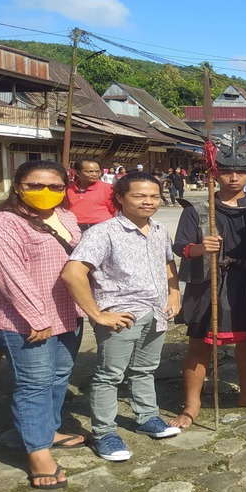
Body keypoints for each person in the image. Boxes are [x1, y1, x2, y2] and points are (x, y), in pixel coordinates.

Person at [0, 160, 88, 489]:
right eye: (35, 186)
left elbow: (81, 263)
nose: (45, 192)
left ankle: (47, 430)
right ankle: (38, 453)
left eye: (54, 186)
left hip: (68, 314)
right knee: (34, 383)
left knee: (58, 377)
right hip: (22, 320)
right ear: (18, 187)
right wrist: (36, 317)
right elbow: (9, 277)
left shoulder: (66, 217)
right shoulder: (1, 224)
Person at [62, 172, 182, 462]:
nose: (148, 202)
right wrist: (98, 314)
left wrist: (174, 292)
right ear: (119, 197)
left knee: (145, 370)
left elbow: (168, 262)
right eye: (139, 196)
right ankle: (104, 433)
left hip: (156, 312)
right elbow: (72, 273)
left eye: (153, 196)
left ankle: (147, 418)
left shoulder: (158, 230)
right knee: (108, 376)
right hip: (121, 315)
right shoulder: (103, 232)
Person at [169, 146, 246, 428]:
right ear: (214, 173)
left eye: (241, 171)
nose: (234, 177)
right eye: (227, 171)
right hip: (208, 282)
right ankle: (191, 404)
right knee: (199, 345)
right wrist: (200, 247)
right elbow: (181, 247)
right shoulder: (198, 208)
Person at [66, 158, 117, 231]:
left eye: (97, 171)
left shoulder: (108, 188)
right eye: (90, 171)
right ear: (77, 173)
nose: (95, 174)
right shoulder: (68, 189)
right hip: (74, 228)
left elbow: (115, 211)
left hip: (102, 228)